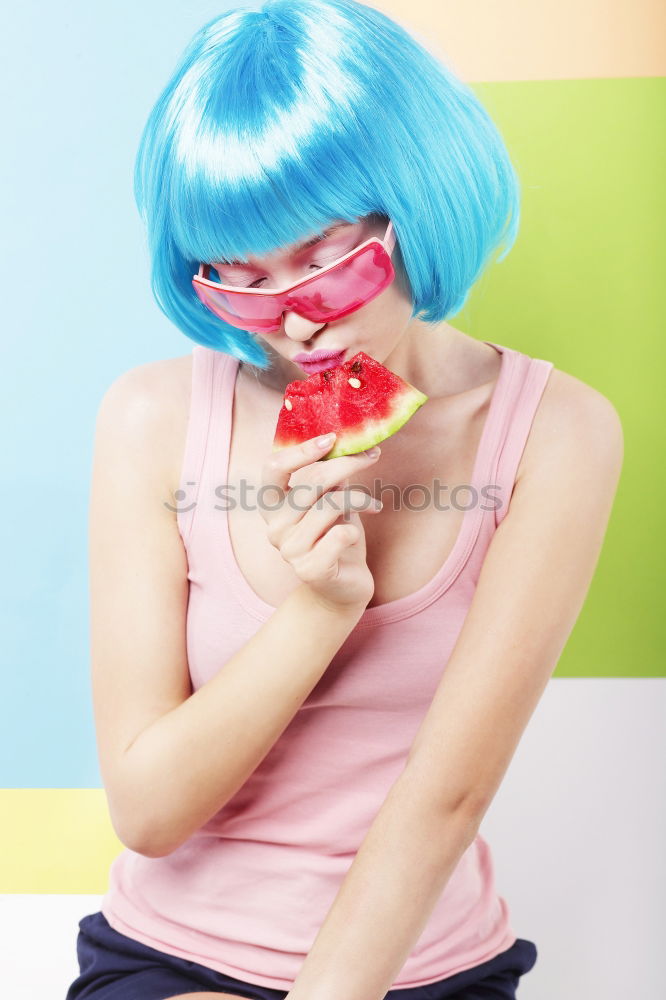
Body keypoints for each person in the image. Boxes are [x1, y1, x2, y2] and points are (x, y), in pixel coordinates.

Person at [65, 1, 624, 998]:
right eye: (240, 284)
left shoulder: (558, 433)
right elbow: (149, 810)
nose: (295, 329)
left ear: (418, 201)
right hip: (179, 955)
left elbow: (445, 800)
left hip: (425, 962)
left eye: (327, 267)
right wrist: (320, 607)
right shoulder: (150, 420)